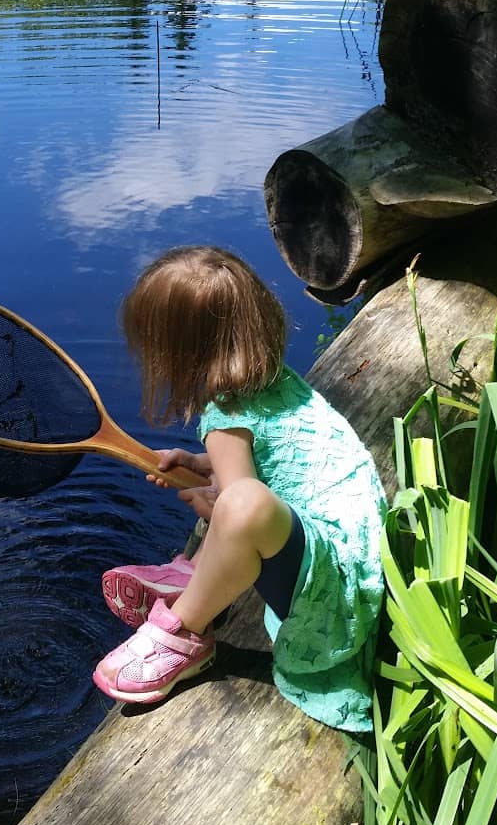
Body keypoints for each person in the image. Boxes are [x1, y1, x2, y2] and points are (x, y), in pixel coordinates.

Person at [92, 246, 386, 732]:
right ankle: (195, 574)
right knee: (240, 499)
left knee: (241, 505)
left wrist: (215, 501)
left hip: (327, 601)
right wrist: (205, 467)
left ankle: (186, 631)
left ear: (178, 354)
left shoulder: (225, 420)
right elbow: (279, 459)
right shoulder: (275, 383)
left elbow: (242, 507)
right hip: (357, 564)